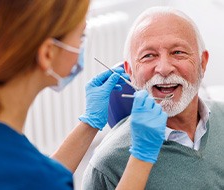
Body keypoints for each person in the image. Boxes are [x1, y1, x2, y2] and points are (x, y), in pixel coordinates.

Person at [0, 1, 168, 189]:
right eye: (81, 37)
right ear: (47, 53)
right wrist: (142, 156)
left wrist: (90, 123)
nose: (164, 68)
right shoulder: (35, 175)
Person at [82, 6, 224, 190]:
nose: (164, 69)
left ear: (202, 63)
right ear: (130, 72)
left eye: (178, 52)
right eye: (148, 55)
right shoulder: (107, 168)